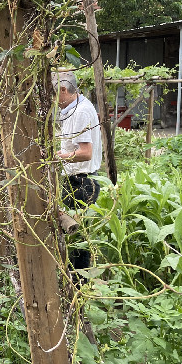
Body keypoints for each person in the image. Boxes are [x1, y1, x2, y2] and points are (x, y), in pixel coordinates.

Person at [53, 70, 102, 270]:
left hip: (82, 183)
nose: (52, 99)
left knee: (78, 241)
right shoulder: (76, 108)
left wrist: (56, 157)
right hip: (77, 179)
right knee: (76, 238)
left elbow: (85, 152)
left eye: (54, 93)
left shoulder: (81, 111)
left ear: (63, 90)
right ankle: (75, 282)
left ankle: (78, 285)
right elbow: (72, 147)